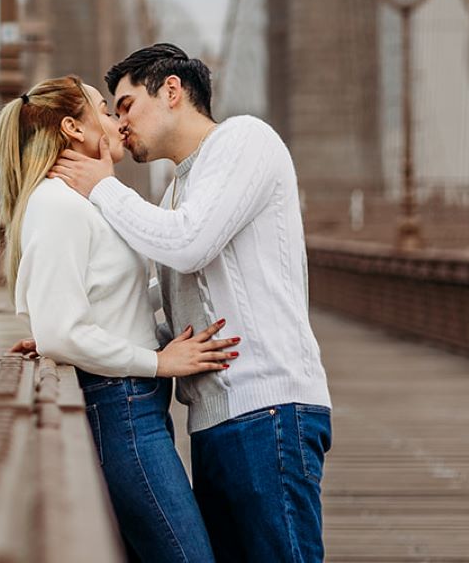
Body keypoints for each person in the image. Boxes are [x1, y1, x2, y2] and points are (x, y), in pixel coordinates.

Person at [51, 44, 333, 563]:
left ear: (172, 91)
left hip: (269, 410)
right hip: (214, 423)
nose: (119, 123)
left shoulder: (245, 140)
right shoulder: (177, 190)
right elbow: (160, 295)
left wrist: (103, 189)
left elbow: (187, 244)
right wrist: (69, 329)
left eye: (127, 104)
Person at [0, 73, 237, 563]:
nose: (118, 122)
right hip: (121, 406)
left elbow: (108, 296)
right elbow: (63, 333)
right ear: (75, 129)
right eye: (105, 111)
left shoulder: (82, 204)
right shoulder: (57, 205)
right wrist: (159, 364)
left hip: (134, 406)